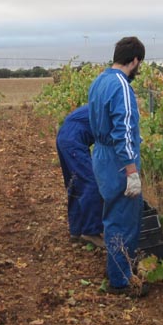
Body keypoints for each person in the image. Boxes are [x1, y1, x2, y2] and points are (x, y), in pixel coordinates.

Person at [87, 36, 147, 296]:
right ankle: (121, 280)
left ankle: (116, 269)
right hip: (118, 160)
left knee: (112, 215)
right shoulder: (122, 85)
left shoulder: (99, 81)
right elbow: (122, 131)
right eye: (139, 63)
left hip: (101, 155)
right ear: (134, 60)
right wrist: (131, 170)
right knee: (124, 218)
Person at [56, 105, 104, 246]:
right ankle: (90, 231)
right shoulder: (110, 110)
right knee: (91, 183)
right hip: (73, 141)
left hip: (65, 137)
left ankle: (76, 230)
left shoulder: (100, 104)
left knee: (76, 183)